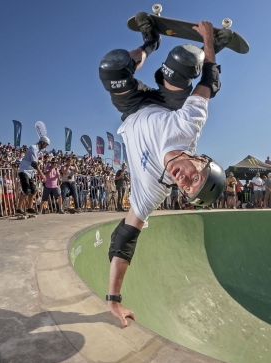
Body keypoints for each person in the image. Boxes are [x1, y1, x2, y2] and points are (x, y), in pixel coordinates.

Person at [99, 15, 227, 327]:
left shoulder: (153, 190)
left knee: (112, 66)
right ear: (201, 160)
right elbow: (210, 83)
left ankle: (150, 41)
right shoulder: (189, 125)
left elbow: (125, 239)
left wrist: (114, 299)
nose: (182, 180)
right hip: (171, 104)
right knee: (185, 60)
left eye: (186, 189)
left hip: (133, 108)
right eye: (194, 177)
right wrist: (209, 42)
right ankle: (160, 47)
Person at [16, 137, 49, 215]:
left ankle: (30, 208)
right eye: (46, 145)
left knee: (33, 190)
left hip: (30, 172)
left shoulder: (38, 150)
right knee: (26, 189)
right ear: (42, 142)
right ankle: (18, 209)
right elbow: (34, 164)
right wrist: (42, 174)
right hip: (24, 171)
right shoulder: (33, 148)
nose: (45, 147)